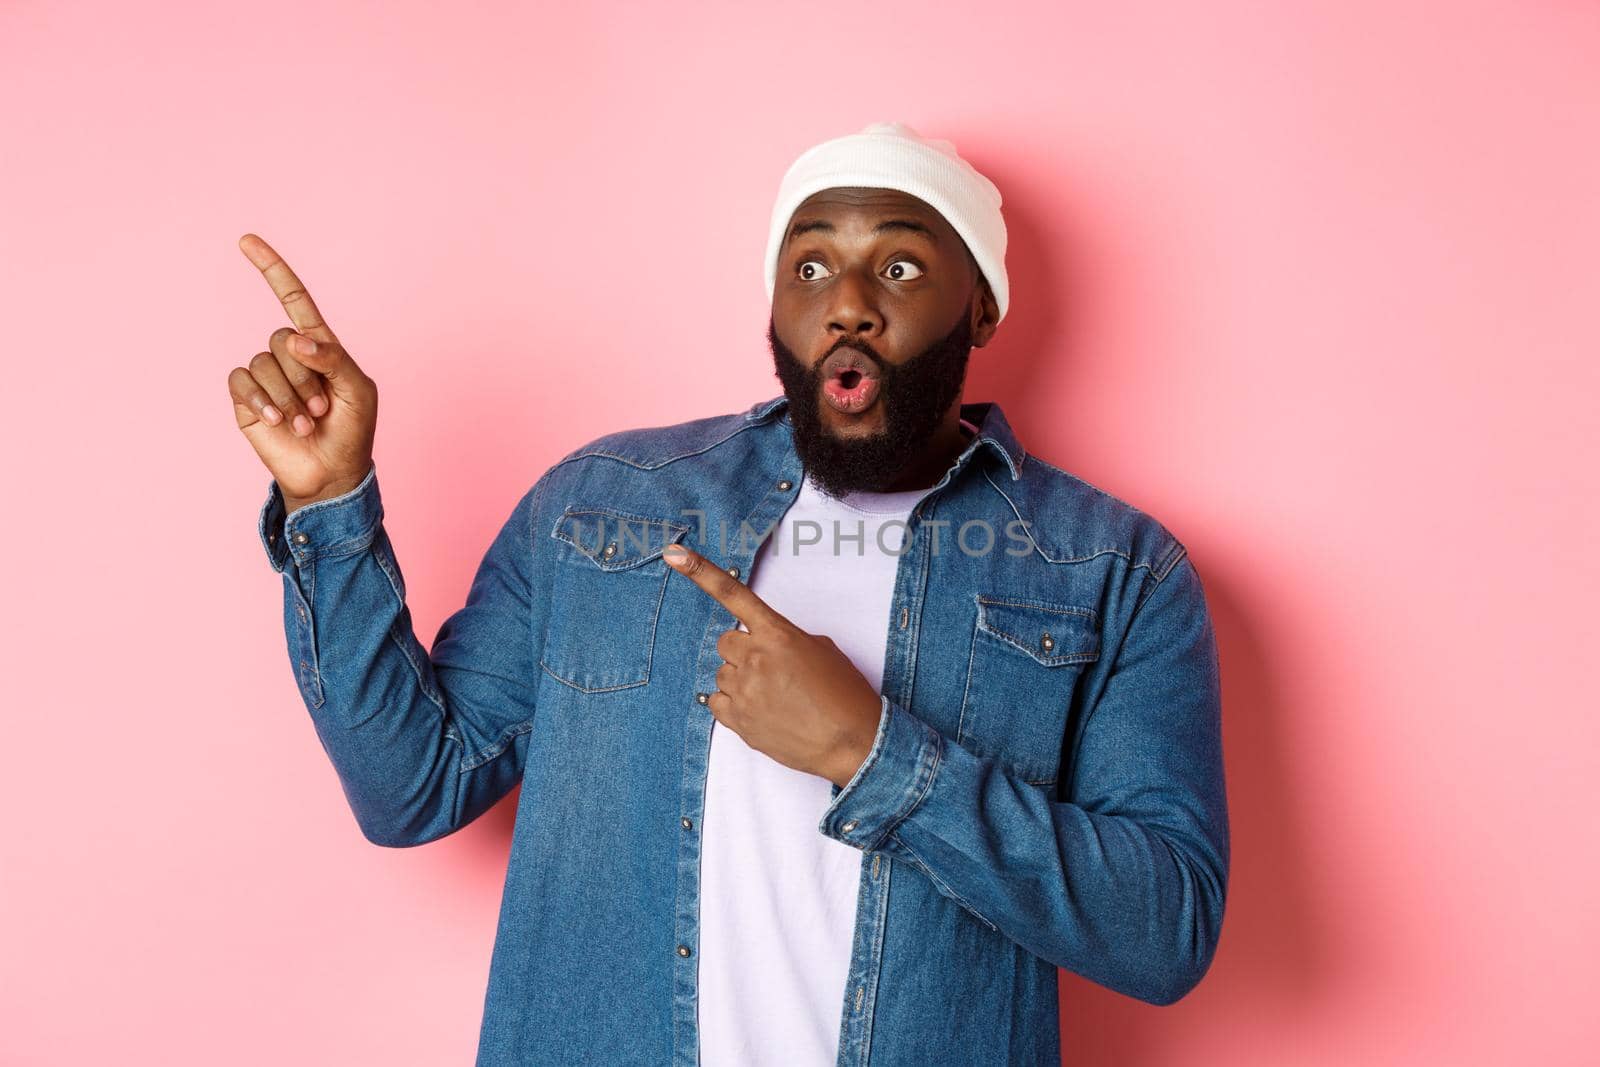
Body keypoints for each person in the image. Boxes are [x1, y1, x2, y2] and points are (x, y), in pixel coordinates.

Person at [229, 121, 1229, 1067]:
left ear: (980, 305)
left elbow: (1166, 928)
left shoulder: (1115, 569)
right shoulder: (604, 501)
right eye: (808, 266)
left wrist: (869, 749)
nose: (847, 300)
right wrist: (329, 502)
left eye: (900, 264)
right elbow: (414, 786)